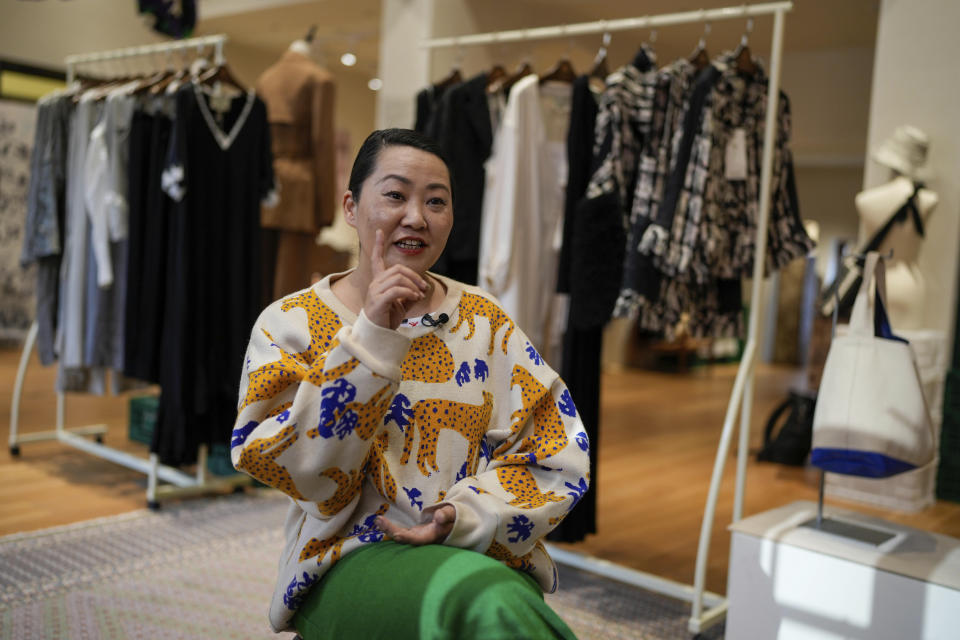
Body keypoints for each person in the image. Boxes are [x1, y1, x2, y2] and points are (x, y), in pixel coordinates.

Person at [231, 128, 589, 638]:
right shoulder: (291, 321)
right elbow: (297, 470)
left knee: (496, 602)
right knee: (491, 608)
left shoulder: (484, 320)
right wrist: (373, 336)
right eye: (396, 195)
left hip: (476, 547)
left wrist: (458, 517)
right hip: (349, 555)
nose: (417, 217)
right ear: (351, 207)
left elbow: (556, 455)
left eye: (436, 202)